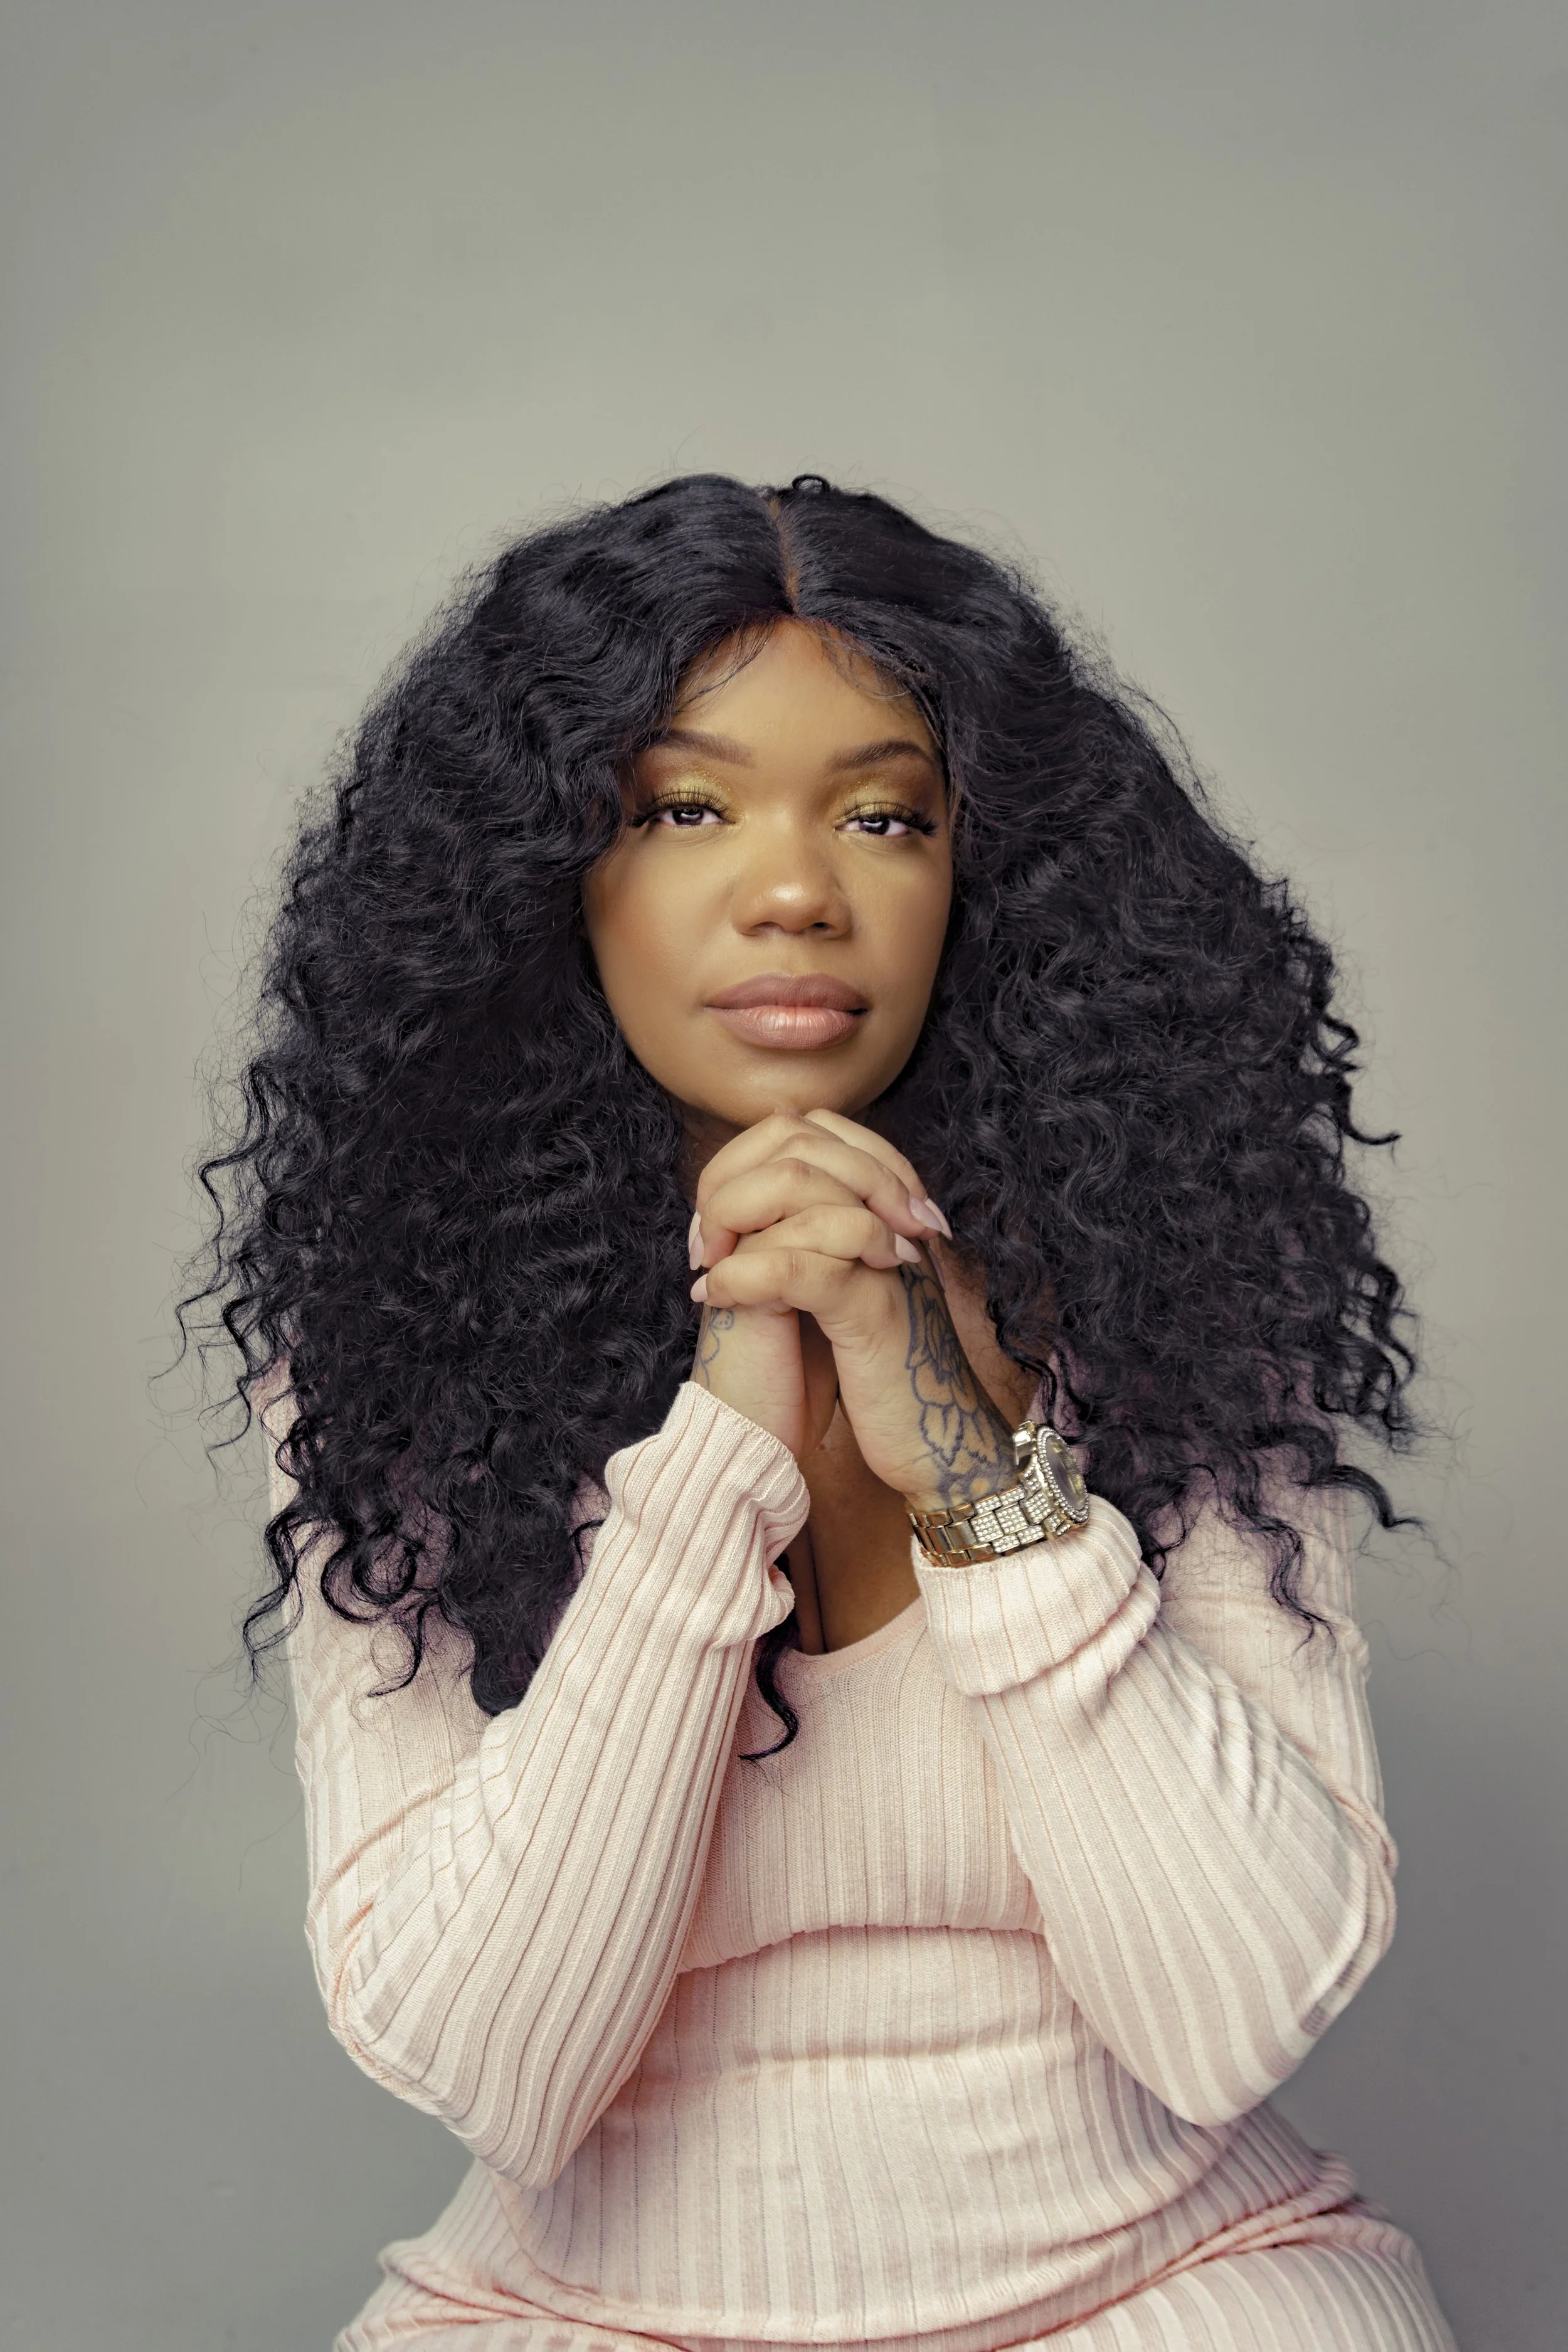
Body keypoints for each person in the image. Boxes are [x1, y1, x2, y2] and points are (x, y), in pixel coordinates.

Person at [193, 473, 1459, 2349]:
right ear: (552, 875)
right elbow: (488, 2055)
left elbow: (1231, 2007)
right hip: (584, 2311)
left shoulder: (1181, 1301)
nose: (794, 886)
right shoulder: (396, 1366)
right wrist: (720, 1442)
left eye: (883, 813)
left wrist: (961, 1444)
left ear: (980, 875)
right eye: (681, 807)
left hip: (1173, 2285)